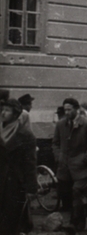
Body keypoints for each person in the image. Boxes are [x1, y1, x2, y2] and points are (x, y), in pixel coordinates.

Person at [52, 97, 87, 231]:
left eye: (69, 109)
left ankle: (74, 222)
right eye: (65, 109)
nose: (66, 112)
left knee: (77, 191)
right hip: (64, 166)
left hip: (81, 167)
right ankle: (79, 219)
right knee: (67, 194)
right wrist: (58, 157)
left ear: (77, 109)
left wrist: (85, 159)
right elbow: (55, 143)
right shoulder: (61, 124)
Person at [0, 98, 37, 235]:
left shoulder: (26, 136)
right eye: (2, 110)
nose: (3, 113)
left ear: (15, 114)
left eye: (7, 110)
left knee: (11, 221)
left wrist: (31, 188)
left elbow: (30, 164)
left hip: (15, 184)